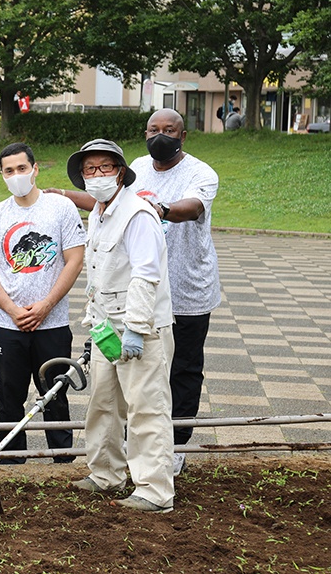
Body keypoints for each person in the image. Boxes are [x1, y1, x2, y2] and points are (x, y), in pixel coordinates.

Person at [67, 139, 175, 514]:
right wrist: (95, 320)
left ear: (120, 172)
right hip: (106, 328)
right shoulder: (98, 212)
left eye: (105, 168)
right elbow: (100, 271)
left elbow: (147, 275)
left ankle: (155, 490)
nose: (97, 175)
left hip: (140, 329)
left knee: (146, 408)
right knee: (103, 402)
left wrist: (135, 326)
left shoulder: (137, 214)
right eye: (89, 169)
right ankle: (106, 474)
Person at [0, 142, 85, 464]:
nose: (16, 175)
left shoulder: (60, 208)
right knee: (9, 396)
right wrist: (12, 310)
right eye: (9, 171)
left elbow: (75, 259)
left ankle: (63, 458)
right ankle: (11, 460)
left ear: (35, 169)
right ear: (2, 175)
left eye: (22, 169)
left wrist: (47, 305)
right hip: (9, 326)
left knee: (55, 394)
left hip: (53, 323)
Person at [130, 108, 220, 475]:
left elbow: (192, 207)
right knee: (139, 368)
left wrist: (160, 207)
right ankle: (136, 439)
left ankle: (176, 444)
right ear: (145, 133)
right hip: (143, 290)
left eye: (169, 130)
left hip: (187, 290)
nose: (160, 135)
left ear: (183, 136)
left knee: (182, 370)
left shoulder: (201, 173)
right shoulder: (135, 166)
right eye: (154, 129)